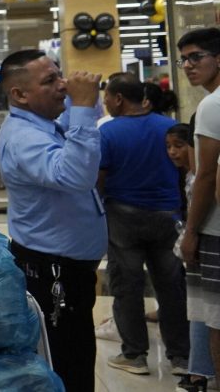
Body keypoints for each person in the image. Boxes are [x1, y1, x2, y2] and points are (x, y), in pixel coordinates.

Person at [0, 49, 103, 391]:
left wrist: (80, 102)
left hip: (68, 271)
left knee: (75, 357)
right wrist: (83, 106)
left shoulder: (42, 124)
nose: (62, 85)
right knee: (67, 366)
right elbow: (76, 176)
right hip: (53, 274)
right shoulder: (23, 137)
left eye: (60, 75)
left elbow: (82, 124)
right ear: (20, 95)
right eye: (49, 81)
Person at [96, 73, 188, 375]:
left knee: (127, 286)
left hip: (124, 218)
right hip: (168, 216)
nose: (105, 102)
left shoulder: (108, 132)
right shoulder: (168, 127)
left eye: (107, 96)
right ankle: (181, 357)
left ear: (119, 99)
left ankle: (134, 354)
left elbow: (99, 180)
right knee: (171, 287)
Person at [177, 28, 220, 377]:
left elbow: (205, 176)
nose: (188, 66)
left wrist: (191, 231)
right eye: (184, 59)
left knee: (217, 322)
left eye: (196, 57)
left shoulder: (213, 104)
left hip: (216, 229)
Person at [167, 124, 217, 391]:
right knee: (199, 307)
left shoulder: (203, 176)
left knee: (204, 309)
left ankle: (199, 373)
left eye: (180, 146)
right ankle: (199, 369)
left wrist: (191, 234)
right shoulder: (188, 175)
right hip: (197, 244)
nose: (173, 152)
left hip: (204, 245)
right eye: (169, 147)